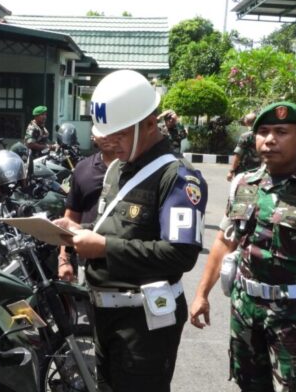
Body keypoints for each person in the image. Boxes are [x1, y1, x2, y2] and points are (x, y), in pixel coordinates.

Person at [189, 101, 296, 391]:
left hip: (295, 316)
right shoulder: (245, 184)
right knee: (248, 384)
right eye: (264, 132)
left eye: (281, 131)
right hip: (245, 309)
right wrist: (201, 294)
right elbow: (225, 239)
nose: (269, 140)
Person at [55, 70, 208, 392]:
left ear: (150, 123)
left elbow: (180, 255)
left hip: (145, 321)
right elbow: (122, 228)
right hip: (103, 313)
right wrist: (78, 230)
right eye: (107, 134)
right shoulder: (117, 170)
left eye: (121, 135)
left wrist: (103, 247)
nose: (110, 143)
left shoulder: (177, 177)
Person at [58, 128, 116, 282]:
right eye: (100, 130)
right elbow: (71, 218)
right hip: (87, 264)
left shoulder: (137, 168)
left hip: (124, 261)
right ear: (93, 137)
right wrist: (64, 259)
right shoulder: (82, 169)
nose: (105, 135)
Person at [227, 112, 261, 181]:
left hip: (245, 172)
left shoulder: (246, 136)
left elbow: (238, 155)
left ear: (247, 122)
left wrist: (231, 171)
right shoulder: (263, 135)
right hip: (260, 172)